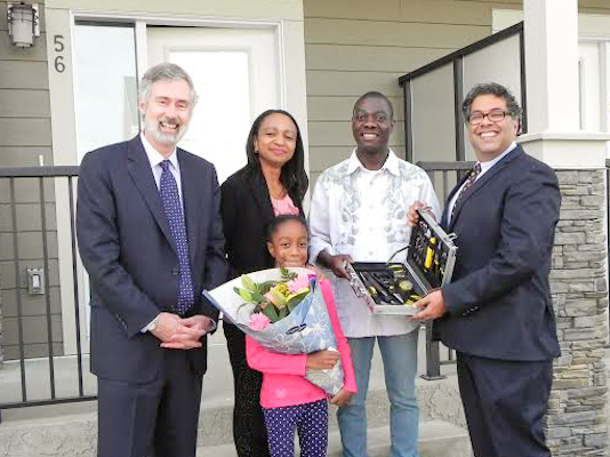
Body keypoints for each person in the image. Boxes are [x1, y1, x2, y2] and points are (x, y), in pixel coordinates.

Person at [76, 62, 227, 457]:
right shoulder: (102, 165)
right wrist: (153, 320)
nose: (172, 113)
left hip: (187, 349)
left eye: (182, 104)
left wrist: (208, 314)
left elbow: (215, 252)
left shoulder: (202, 172)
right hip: (129, 347)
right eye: (163, 101)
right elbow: (99, 258)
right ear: (142, 105)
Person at [409, 82, 561, 457]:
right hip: (476, 338)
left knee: (516, 448)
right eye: (477, 115)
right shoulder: (474, 177)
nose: (485, 122)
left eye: (497, 114)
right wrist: (428, 223)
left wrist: (450, 297)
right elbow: (467, 242)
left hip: (511, 343)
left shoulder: (530, 176)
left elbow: (520, 258)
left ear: (517, 123)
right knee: (487, 447)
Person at [308, 91, 441, 457]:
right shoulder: (331, 181)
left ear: (391, 126)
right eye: (362, 116)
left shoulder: (415, 179)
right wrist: (331, 258)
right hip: (349, 308)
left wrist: (424, 218)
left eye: (379, 117)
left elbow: (435, 235)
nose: (370, 123)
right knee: (351, 395)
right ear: (352, 123)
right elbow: (314, 236)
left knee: (404, 396)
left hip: (401, 309)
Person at [221, 109, 309, 457]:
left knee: (280, 392)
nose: (280, 141)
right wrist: (239, 303)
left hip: (290, 305)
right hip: (250, 310)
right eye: (271, 133)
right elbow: (219, 247)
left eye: (288, 136)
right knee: (250, 391)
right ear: (255, 141)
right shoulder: (236, 187)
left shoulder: (296, 186)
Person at [246, 215, 357, 457]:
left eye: (302, 244)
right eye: (285, 244)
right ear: (271, 248)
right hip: (278, 400)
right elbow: (255, 358)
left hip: (317, 395)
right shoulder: (258, 294)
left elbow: (337, 335)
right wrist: (305, 363)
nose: (295, 252)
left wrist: (349, 382)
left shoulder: (320, 284)